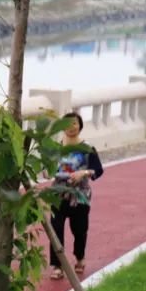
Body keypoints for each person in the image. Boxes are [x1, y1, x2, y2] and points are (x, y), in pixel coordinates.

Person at [48, 113, 104, 280]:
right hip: (58, 194)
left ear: (80, 126)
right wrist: (46, 171)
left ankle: (80, 257)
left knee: (79, 230)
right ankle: (57, 266)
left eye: (74, 123)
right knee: (56, 230)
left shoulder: (87, 148)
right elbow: (47, 168)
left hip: (80, 196)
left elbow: (98, 169)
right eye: (67, 123)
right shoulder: (55, 148)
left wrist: (84, 173)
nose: (71, 127)